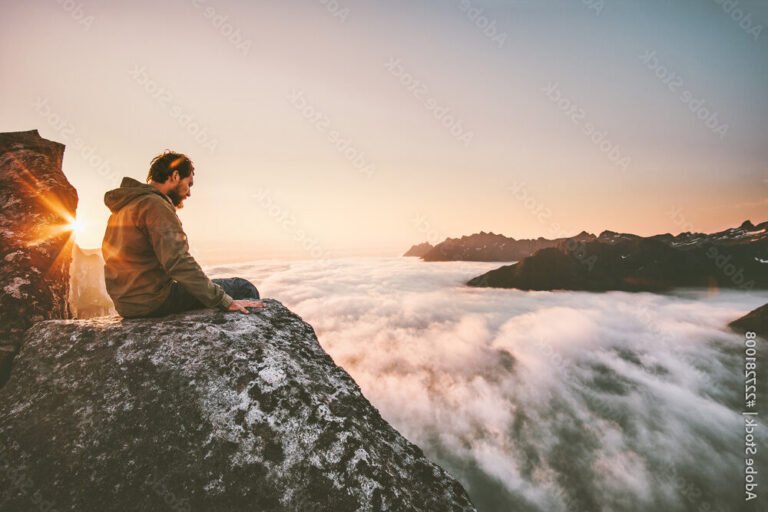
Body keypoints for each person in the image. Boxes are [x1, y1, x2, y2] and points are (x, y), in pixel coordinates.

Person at [101, 151, 264, 318]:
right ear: (175, 176)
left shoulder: (125, 207)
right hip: (153, 300)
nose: (189, 193)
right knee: (243, 287)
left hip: (128, 303)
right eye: (189, 184)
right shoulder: (155, 205)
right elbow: (178, 262)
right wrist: (224, 300)